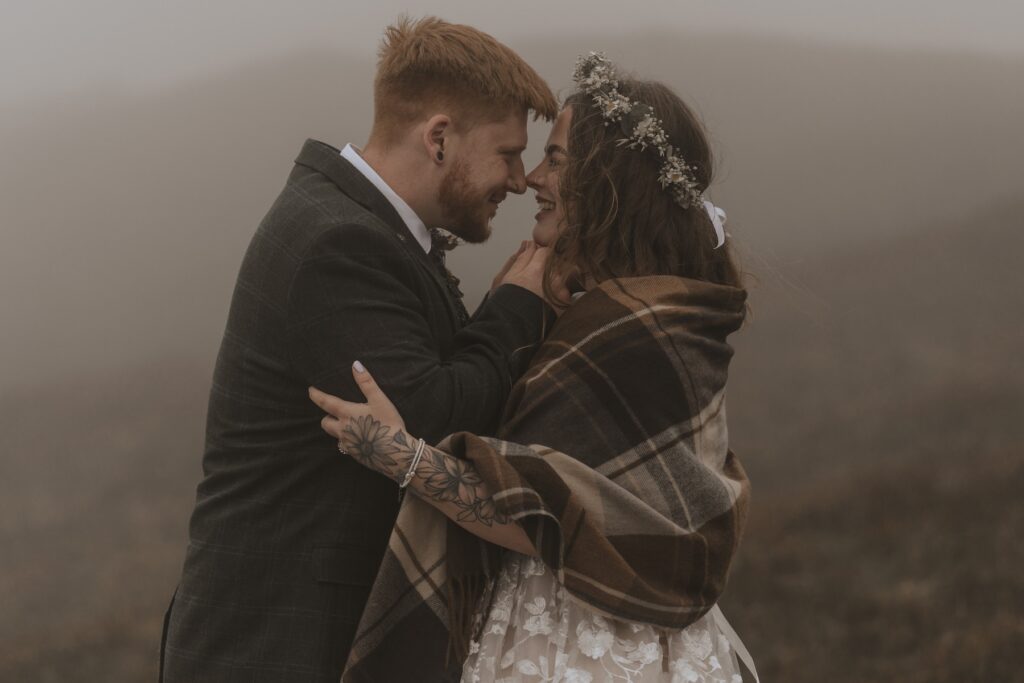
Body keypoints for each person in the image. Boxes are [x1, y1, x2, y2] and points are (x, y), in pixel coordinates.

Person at [310, 53, 758, 682]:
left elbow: (550, 521)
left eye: (558, 159)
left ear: (610, 184)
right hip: (547, 620)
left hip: (591, 645)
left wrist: (403, 456)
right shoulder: (614, 310)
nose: (534, 180)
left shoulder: (643, 330)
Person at [159, 17, 560, 682]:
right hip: (271, 649)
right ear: (438, 138)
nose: (520, 180)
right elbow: (433, 421)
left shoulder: (357, 226)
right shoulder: (336, 245)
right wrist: (518, 306)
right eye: (508, 153)